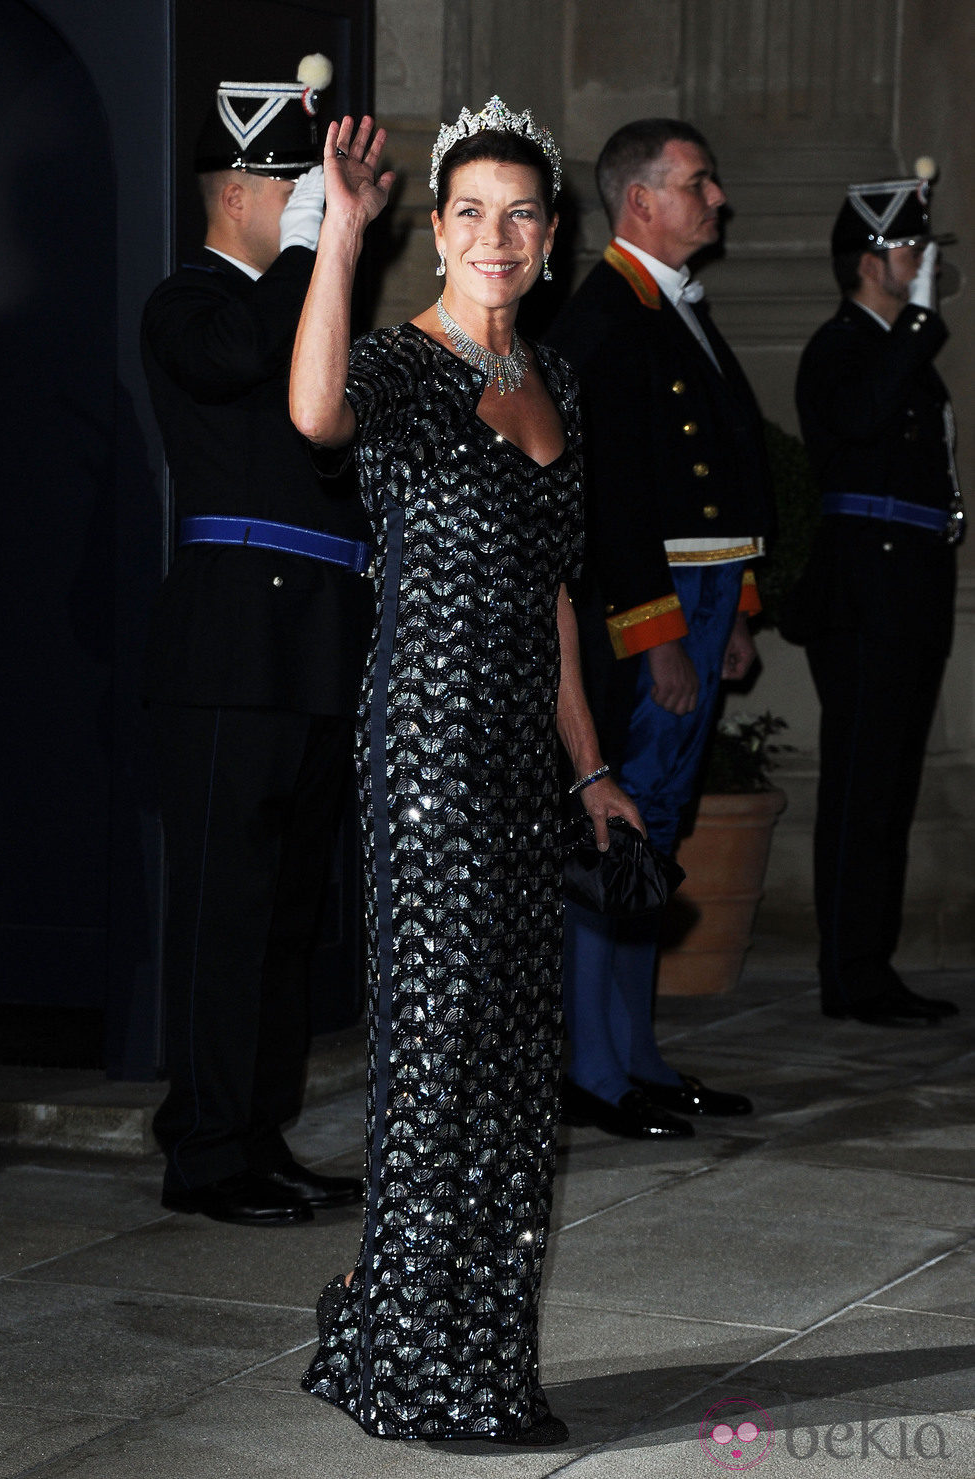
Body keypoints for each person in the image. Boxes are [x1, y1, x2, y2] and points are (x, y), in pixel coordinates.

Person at [289, 102, 644, 1445]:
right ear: (437, 228)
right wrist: (340, 235)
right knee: (436, 1058)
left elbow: (556, 598)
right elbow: (314, 410)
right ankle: (411, 1371)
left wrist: (592, 766)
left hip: (516, 755)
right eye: (472, 213)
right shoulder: (401, 358)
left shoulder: (554, 378)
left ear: (552, 240)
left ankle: (459, 1346)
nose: (497, 236)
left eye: (522, 215)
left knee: (508, 1066)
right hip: (427, 747)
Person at [141, 57, 372, 1225]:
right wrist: (303, 253)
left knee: (286, 915)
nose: (311, 208)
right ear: (239, 191)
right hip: (233, 646)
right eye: (290, 188)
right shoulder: (189, 301)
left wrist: (314, 264)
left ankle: (254, 1131)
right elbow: (238, 365)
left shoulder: (303, 292)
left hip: (315, 639)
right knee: (224, 911)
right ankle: (203, 1151)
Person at [546, 119, 772, 1139]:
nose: (714, 199)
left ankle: (633, 1052)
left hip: (699, 601)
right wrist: (658, 634)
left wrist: (736, 611)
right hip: (645, 613)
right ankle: (590, 1071)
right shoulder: (604, 314)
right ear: (639, 199)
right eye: (697, 182)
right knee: (619, 831)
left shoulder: (670, 306)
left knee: (661, 836)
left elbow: (722, 483)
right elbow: (615, 503)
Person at [788, 170, 963, 1025]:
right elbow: (856, 420)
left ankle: (873, 964)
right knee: (861, 785)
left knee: (890, 787)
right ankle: (850, 972)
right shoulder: (842, 346)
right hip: (865, 592)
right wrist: (918, 325)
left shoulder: (897, 349)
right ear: (867, 261)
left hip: (911, 585)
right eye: (907, 247)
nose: (920, 259)